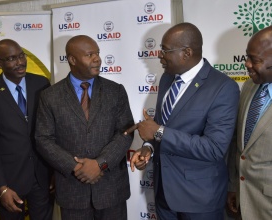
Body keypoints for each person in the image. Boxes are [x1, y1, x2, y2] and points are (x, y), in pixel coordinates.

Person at [126, 22, 240, 220]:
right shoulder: (167, 79)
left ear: (187, 53)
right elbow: (162, 126)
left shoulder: (223, 88)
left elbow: (213, 148)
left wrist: (158, 132)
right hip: (163, 194)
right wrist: (148, 148)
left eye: (165, 51)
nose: (159, 56)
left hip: (199, 199)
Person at [35, 35, 134, 220]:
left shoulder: (116, 91)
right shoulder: (50, 96)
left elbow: (125, 132)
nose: (97, 58)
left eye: (97, 53)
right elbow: (43, 139)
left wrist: (100, 164)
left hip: (111, 190)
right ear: (72, 60)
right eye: (90, 54)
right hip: (73, 192)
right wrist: (75, 167)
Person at [0, 39, 53, 220]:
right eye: (11, 59)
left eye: (21, 56)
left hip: (43, 179)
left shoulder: (41, 84)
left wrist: (55, 173)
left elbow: (52, 133)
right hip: (10, 182)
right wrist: (1, 188)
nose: (20, 62)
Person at [227, 26, 272, 220]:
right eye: (247, 56)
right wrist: (234, 185)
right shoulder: (248, 86)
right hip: (243, 199)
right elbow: (238, 143)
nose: (247, 64)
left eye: (255, 59)